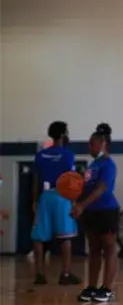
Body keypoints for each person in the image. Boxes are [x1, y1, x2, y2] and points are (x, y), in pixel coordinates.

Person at [73, 123, 120, 303]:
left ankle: (106, 289)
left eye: (92, 143)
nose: (89, 146)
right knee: (93, 249)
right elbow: (85, 188)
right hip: (90, 212)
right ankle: (92, 287)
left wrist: (82, 205)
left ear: (102, 143)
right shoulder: (93, 164)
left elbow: (101, 188)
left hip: (107, 211)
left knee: (108, 248)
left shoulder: (108, 164)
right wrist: (76, 204)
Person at [31, 121, 81, 286]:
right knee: (66, 236)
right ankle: (65, 274)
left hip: (45, 196)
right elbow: (71, 180)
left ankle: (39, 274)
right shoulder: (68, 155)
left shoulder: (40, 155)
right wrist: (74, 202)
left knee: (39, 237)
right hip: (62, 196)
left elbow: (36, 180)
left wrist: (35, 200)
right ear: (64, 134)